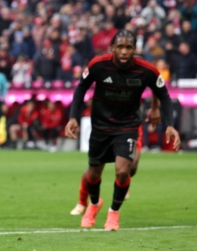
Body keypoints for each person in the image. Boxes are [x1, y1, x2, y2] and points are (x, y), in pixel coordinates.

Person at [65, 30, 180, 231]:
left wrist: (169, 124)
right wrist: (73, 117)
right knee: (93, 174)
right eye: (120, 47)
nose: (124, 51)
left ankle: (113, 213)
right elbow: (81, 87)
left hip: (127, 126)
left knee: (123, 170)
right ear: (113, 48)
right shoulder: (98, 65)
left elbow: (163, 94)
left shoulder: (146, 70)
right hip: (100, 126)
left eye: (129, 47)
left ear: (135, 49)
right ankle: (93, 204)